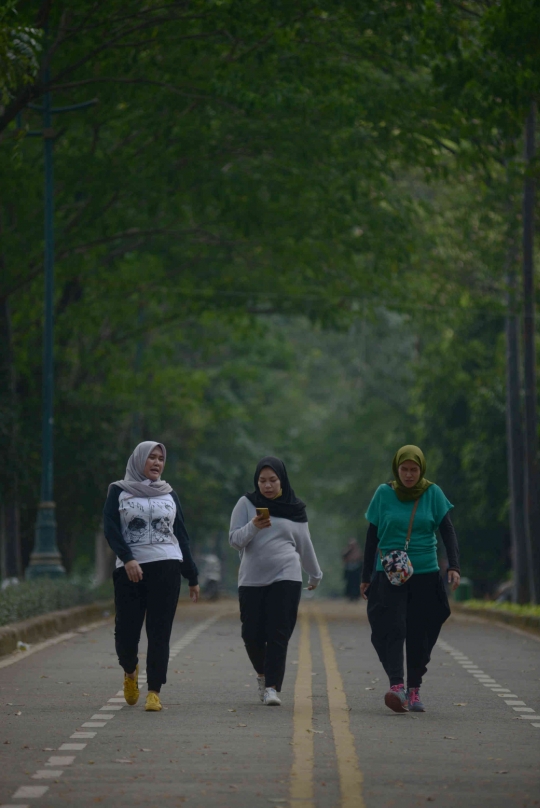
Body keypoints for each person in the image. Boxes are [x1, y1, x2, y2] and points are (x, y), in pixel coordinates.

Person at [361, 445, 460, 714]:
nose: (408, 474)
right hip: (388, 574)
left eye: (413, 469)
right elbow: (372, 535)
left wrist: (454, 566)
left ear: (421, 469)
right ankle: (397, 687)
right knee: (390, 626)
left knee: (422, 630)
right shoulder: (384, 493)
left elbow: (447, 530)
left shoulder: (433, 493)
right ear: (397, 469)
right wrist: (365, 576)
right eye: (404, 469)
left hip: (425, 573)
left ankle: (414, 688)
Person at [103, 441, 199, 712]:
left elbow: (181, 536)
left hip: (167, 568)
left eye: (160, 459)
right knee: (126, 632)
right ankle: (130, 671)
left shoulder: (169, 494)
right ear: (139, 460)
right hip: (130, 571)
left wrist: (191, 576)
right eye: (151, 458)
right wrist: (129, 558)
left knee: (159, 633)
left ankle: (154, 691)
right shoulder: (118, 492)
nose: (157, 463)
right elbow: (110, 529)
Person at [229, 456, 323, 706]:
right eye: (262, 480)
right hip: (252, 580)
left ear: (282, 480)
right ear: (256, 481)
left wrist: (315, 574)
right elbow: (235, 540)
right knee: (251, 635)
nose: (267, 485)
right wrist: (254, 526)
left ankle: (272, 687)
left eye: (272, 480)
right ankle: (263, 675)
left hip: (287, 576)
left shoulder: (296, 508)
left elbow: (304, 544)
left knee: (279, 634)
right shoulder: (246, 504)